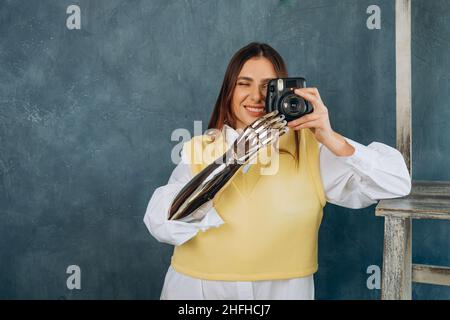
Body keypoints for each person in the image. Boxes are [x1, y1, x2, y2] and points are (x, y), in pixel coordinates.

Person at [143, 42, 411, 300]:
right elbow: (161, 221)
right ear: (228, 91)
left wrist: (331, 138)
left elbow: (396, 182)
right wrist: (233, 158)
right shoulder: (199, 149)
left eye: (268, 87)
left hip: (283, 291)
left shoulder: (312, 150)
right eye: (243, 84)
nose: (257, 97)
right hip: (196, 290)